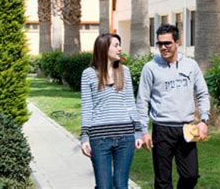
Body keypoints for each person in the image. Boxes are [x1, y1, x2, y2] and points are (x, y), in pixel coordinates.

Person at [137, 23, 210, 189]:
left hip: (187, 129)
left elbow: (203, 94)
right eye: (160, 44)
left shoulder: (191, 65)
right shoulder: (150, 68)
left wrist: (204, 120)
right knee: (163, 181)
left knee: (191, 175)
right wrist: (143, 131)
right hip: (162, 130)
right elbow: (142, 101)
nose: (163, 48)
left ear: (177, 42)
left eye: (167, 43)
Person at [80, 33, 143, 189]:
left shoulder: (125, 71)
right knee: (104, 186)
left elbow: (130, 103)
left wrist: (138, 132)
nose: (120, 48)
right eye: (116, 45)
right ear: (103, 48)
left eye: (120, 45)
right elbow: (87, 107)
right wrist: (84, 137)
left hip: (125, 138)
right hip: (99, 139)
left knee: (121, 185)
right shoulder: (88, 74)